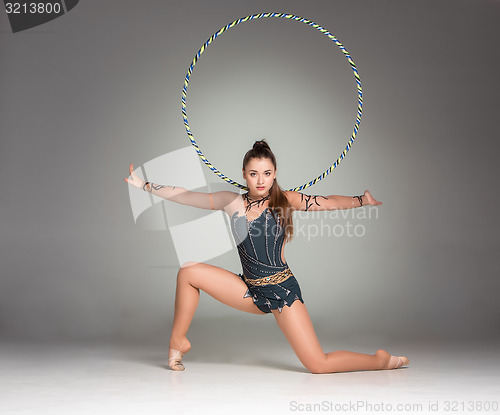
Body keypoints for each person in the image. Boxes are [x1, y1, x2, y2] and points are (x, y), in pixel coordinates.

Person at [125, 140, 409, 373]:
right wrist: (143, 186)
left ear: (274, 173)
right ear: (244, 174)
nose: (260, 180)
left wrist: (362, 200)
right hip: (248, 288)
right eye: (253, 173)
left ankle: (380, 360)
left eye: (266, 173)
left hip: (281, 290)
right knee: (188, 272)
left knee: (318, 365)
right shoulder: (231, 201)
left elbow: (328, 202)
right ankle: (178, 341)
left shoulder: (285, 200)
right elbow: (185, 195)